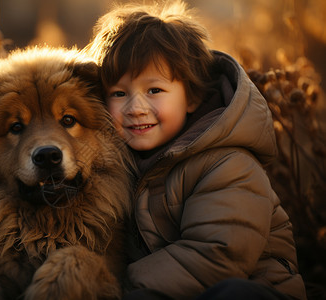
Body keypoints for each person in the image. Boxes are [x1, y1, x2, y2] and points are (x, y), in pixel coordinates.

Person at [84, 1, 307, 299]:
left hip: (255, 289)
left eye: (154, 90)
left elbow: (219, 254)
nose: (135, 108)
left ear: (191, 97)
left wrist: (121, 288)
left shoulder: (227, 163)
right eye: (119, 93)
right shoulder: (122, 167)